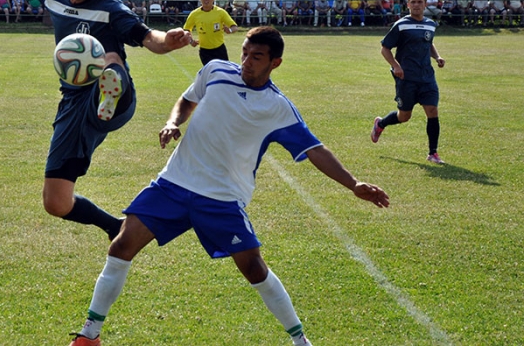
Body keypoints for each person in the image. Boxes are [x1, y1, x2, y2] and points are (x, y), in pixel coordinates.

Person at [68, 26, 390, 346]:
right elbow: (187, 99)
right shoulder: (215, 71)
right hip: (175, 183)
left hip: (222, 199)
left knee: (253, 267)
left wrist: (353, 184)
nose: (247, 61)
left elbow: (315, 150)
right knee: (122, 246)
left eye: (257, 57)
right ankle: (89, 334)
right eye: (245, 53)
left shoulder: (278, 107)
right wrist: (172, 122)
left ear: (274, 63)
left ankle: (300, 340)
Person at [0, 0, 193, 240]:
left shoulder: (109, 8)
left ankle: (110, 85)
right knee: (56, 201)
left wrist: (168, 41)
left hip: (117, 100)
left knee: (109, 57)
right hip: (73, 101)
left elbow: (147, 37)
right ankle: (113, 226)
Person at [371, 0, 446, 165]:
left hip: (427, 77)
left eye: (420, 2)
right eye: (413, 2)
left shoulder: (430, 24)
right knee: (404, 116)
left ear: (425, 4)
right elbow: (385, 48)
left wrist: (437, 57)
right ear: (408, 4)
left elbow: (428, 43)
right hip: (406, 77)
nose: (416, 5)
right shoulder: (401, 25)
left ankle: (433, 153)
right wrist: (396, 66)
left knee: (432, 111)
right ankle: (380, 124)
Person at [183, 0, 236, 65]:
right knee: (211, 75)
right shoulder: (194, 14)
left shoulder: (220, 12)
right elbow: (186, 30)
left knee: (224, 74)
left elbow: (234, 27)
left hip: (220, 49)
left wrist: (230, 30)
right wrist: (191, 41)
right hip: (205, 51)